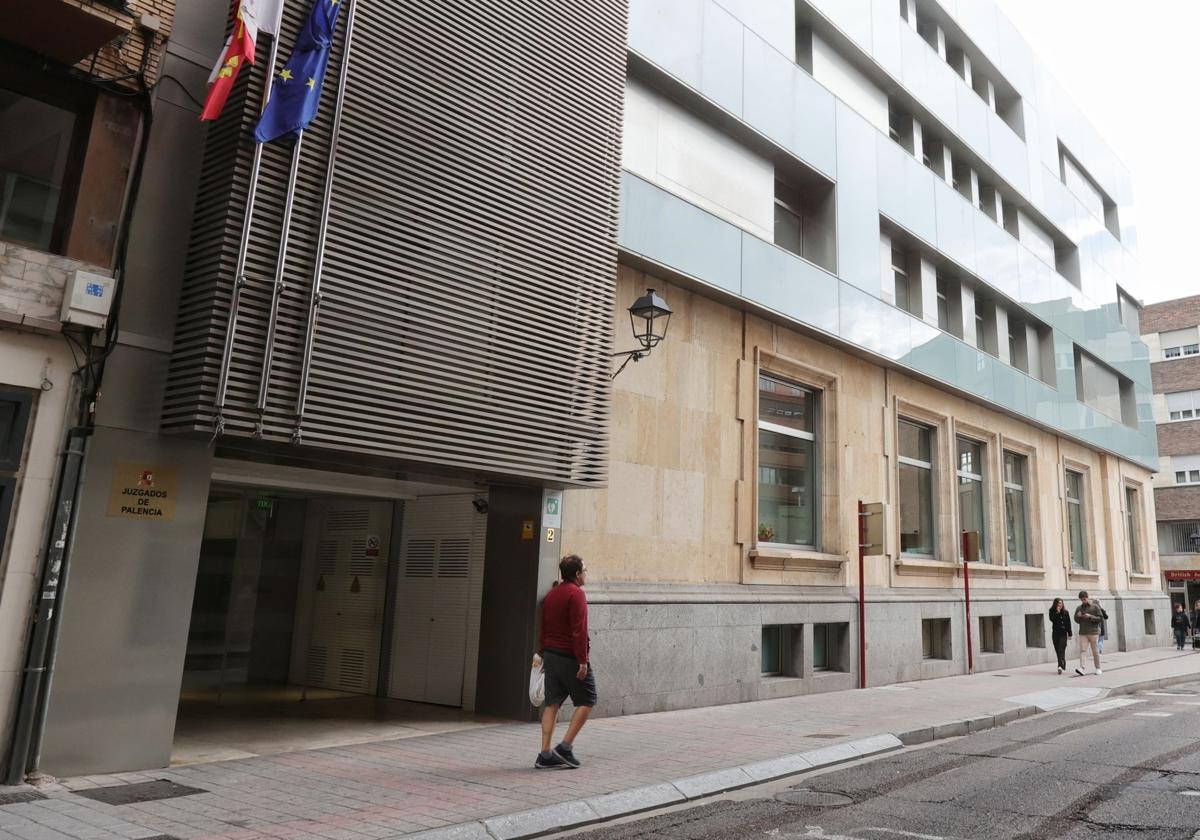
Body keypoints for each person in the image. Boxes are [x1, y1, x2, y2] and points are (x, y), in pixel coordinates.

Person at [534, 555, 596, 770]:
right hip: (569, 655)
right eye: (585, 570)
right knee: (588, 699)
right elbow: (579, 630)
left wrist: (542, 650)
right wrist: (583, 660)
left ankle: (545, 753)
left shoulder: (553, 594)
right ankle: (565, 747)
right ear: (577, 574)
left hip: (550, 653)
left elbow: (545, 624)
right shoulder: (576, 594)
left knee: (552, 703)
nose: (586, 573)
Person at [1073, 590, 1104, 676]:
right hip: (1083, 632)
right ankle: (1082, 668)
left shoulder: (1095, 607)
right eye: (1081, 599)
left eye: (1084, 599)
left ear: (1088, 597)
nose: (1083, 601)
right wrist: (1078, 616)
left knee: (1095, 651)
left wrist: (1090, 616)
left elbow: (1100, 619)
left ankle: (1098, 668)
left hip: (1094, 632)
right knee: (1083, 650)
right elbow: (1076, 620)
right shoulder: (1079, 608)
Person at [1048, 597, 1073, 674]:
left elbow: (1068, 623)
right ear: (1055, 604)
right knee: (1057, 650)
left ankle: (1060, 666)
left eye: (1061, 603)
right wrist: (1057, 613)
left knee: (1061, 650)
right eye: (1059, 603)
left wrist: (1070, 633)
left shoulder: (1066, 612)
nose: (1060, 605)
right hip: (1055, 633)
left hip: (1063, 634)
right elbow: (1052, 619)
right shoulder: (1052, 611)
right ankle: (1062, 663)